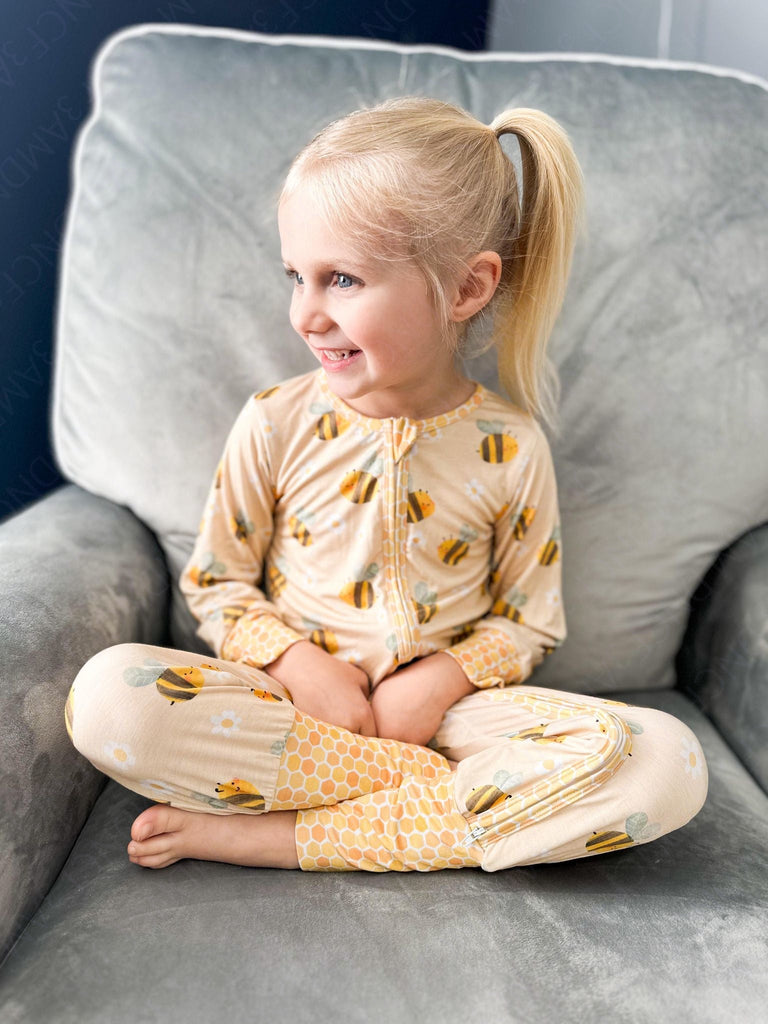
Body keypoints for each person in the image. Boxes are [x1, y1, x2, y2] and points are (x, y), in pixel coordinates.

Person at [66, 97, 708, 872]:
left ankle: (287, 836)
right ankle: (431, 800)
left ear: (466, 289)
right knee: (107, 700)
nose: (305, 314)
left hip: (458, 723)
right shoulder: (275, 422)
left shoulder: (510, 446)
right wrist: (297, 666)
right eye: (296, 276)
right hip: (289, 717)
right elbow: (217, 583)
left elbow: (528, 620)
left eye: (341, 279)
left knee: (667, 762)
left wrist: (438, 683)